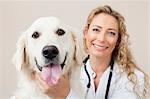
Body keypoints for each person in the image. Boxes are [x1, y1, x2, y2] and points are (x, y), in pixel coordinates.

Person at [34, 5, 150, 99]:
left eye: (111, 33)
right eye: (96, 30)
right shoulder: (68, 71)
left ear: (118, 40)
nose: (101, 39)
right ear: (85, 33)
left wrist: (65, 95)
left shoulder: (133, 78)